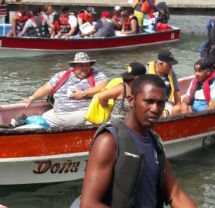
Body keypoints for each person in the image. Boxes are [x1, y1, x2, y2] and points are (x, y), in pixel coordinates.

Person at [80, 76, 197, 208]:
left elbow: (176, 195)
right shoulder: (109, 141)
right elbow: (89, 204)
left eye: (160, 103)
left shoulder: (155, 143)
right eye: (149, 101)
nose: (155, 109)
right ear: (131, 101)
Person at [22, 52, 107, 127]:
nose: (85, 68)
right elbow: (46, 88)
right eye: (81, 65)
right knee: (40, 119)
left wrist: (83, 93)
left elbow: (102, 86)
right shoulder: (62, 75)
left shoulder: (96, 74)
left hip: (83, 114)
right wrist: (31, 98)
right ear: (74, 66)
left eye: (87, 65)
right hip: (58, 115)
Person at [146, 50, 181, 116]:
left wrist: (178, 106)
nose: (171, 67)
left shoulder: (171, 73)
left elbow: (176, 91)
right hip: (149, 103)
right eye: (169, 65)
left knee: (180, 109)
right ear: (160, 64)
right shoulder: (146, 71)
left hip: (165, 102)